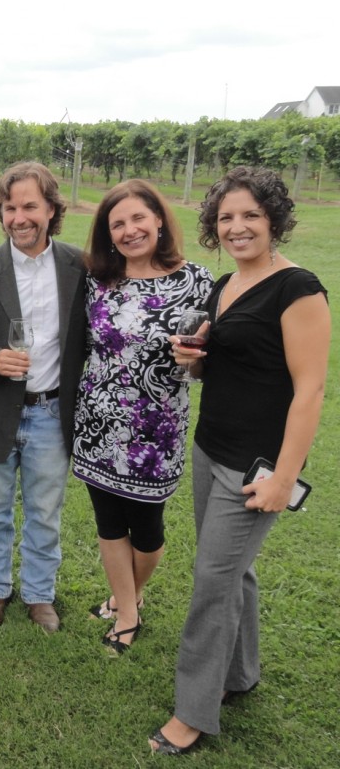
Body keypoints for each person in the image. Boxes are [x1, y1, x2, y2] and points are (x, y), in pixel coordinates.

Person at [150, 167, 329, 755]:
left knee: (213, 579)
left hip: (255, 464)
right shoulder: (225, 284)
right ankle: (240, 674)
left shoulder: (297, 289)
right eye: (226, 217)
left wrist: (283, 476)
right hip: (211, 448)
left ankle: (193, 712)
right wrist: (192, 357)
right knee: (234, 572)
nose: (237, 226)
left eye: (250, 214)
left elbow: (309, 393)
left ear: (274, 218)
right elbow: (214, 367)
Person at [71, 180, 213, 654]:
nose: (130, 230)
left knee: (149, 533)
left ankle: (126, 598)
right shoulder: (96, 280)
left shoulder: (196, 281)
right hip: (98, 424)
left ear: (158, 218)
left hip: (158, 431)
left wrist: (194, 360)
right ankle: (126, 610)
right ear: (108, 234)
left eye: (138, 218)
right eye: (118, 224)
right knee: (109, 523)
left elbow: (205, 363)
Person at [0, 162, 86, 633]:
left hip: (51, 412)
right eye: (10, 207)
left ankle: (40, 594)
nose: (19, 217)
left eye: (30, 206)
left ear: (51, 209)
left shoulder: (79, 268)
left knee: (45, 512)